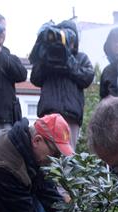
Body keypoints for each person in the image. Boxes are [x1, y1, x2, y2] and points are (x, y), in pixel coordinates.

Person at [30, 20, 95, 150]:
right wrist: (45, 58)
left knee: (68, 156)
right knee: (45, 154)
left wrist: (68, 61)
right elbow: (35, 78)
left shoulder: (80, 58)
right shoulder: (47, 56)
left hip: (70, 115)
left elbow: (87, 78)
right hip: (48, 114)